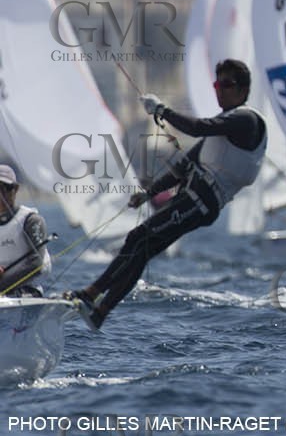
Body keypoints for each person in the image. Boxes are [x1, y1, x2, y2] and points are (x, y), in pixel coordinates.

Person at [64, 60, 266, 328]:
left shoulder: (245, 119)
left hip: (201, 202)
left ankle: (92, 294)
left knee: (138, 237)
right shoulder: (222, 131)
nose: (220, 91)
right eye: (217, 85)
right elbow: (182, 167)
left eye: (227, 85)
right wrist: (148, 194)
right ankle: (99, 311)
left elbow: (197, 127)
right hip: (193, 198)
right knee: (142, 247)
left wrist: (162, 110)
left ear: (243, 90)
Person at [0, 164, 51, 297]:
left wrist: (2, 283)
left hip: (27, 291)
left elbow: (36, 263)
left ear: (15, 189)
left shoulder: (31, 221)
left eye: (3, 188)